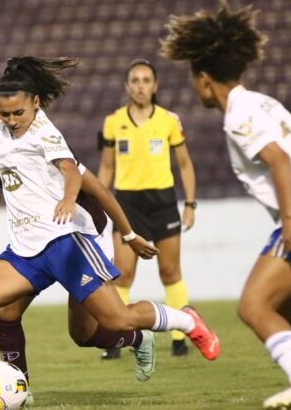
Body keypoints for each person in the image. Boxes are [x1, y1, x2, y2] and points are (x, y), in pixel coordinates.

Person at [0, 57, 219, 410]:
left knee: (115, 319)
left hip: (66, 244)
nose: (10, 121)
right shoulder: (1, 136)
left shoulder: (45, 133)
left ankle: (186, 320)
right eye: (3, 116)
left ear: (35, 103)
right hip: (25, 254)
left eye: (16, 114)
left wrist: (77, 203)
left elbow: (71, 171)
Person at [160, 0, 291, 410]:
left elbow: (279, 158)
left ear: (204, 80)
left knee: (254, 307)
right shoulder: (265, 103)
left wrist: (290, 217)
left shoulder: (238, 111)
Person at [0, 83, 157, 401]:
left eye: (6, 118)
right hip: (36, 248)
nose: (1, 126)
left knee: (87, 333)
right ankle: (20, 392)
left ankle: (140, 338)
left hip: (82, 237)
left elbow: (97, 189)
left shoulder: (44, 141)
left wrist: (129, 234)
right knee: (7, 313)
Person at [97, 58, 198, 359]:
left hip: (163, 203)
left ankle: (182, 336)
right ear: (128, 86)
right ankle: (116, 337)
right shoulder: (113, 121)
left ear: (155, 86)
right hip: (126, 204)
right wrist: (99, 206)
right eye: (135, 81)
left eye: (146, 80)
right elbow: (105, 168)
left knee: (170, 271)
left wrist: (190, 203)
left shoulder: (169, 120)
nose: (141, 86)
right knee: (123, 274)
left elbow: (184, 164)